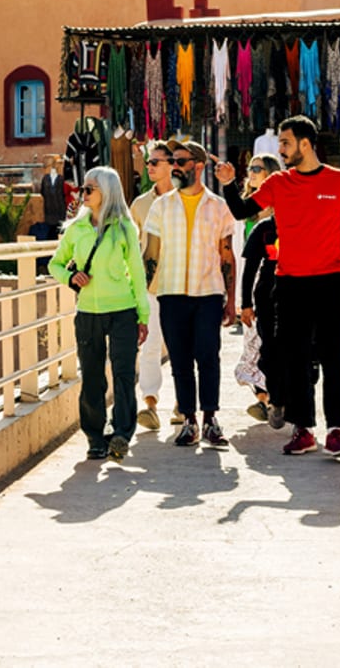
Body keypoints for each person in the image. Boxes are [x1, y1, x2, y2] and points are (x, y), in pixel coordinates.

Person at [216, 115, 340, 458]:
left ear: (305, 143)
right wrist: (229, 183)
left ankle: (336, 430)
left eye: (285, 143)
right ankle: (304, 430)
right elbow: (242, 211)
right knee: (295, 358)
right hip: (289, 285)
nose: (281, 149)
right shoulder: (278, 184)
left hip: (331, 282)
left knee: (334, 356)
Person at [48, 166, 150, 462]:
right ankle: (95, 437)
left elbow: (137, 273)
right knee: (92, 377)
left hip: (123, 311)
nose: (83, 194)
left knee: (122, 374)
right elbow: (55, 264)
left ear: (107, 192)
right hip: (88, 312)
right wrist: (71, 278)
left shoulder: (124, 228)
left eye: (89, 189)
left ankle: (121, 434)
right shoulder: (75, 229)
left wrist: (142, 315)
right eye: (83, 189)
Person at [142, 139, 238, 448]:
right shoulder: (161, 206)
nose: (174, 166)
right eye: (172, 160)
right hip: (170, 294)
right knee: (181, 362)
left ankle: (210, 419)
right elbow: (150, 255)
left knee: (208, 356)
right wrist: (140, 302)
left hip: (209, 293)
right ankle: (189, 421)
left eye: (180, 160)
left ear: (198, 165)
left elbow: (227, 255)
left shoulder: (219, 206)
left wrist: (232, 300)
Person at [129, 142, 174, 429]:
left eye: (156, 162)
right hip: (151, 287)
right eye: (148, 162)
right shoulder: (140, 204)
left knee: (186, 349)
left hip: (184, 285)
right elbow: (134, 247)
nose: (150, 166)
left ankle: (184, 405)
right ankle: (149, 403)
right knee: (149, 346)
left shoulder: (185, 199)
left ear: (172, 165)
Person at [235, 154, 283, 423]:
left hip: (272, 283)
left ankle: (270, 397)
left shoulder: (278, 212)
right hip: (249, 281)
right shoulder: (245, 210)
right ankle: (263, 396)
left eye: (258, 169)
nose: (251, 173)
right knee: (252, 342)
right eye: (250, 169)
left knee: (269, 342)